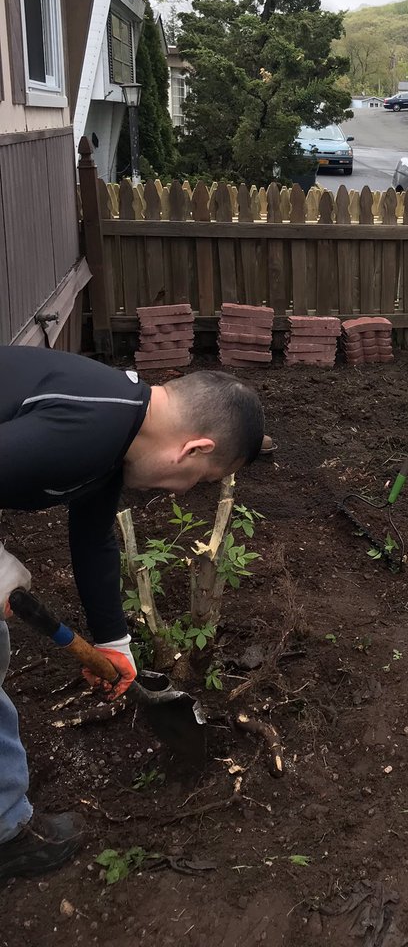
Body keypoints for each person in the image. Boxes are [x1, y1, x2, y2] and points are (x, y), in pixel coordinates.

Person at [0, 347, 265, 880]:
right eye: (202, 479)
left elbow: (92, 536)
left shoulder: (115, 432)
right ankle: (6, 835)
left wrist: (113, 642)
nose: (185, 492)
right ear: (194, 449)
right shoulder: (86, 430)